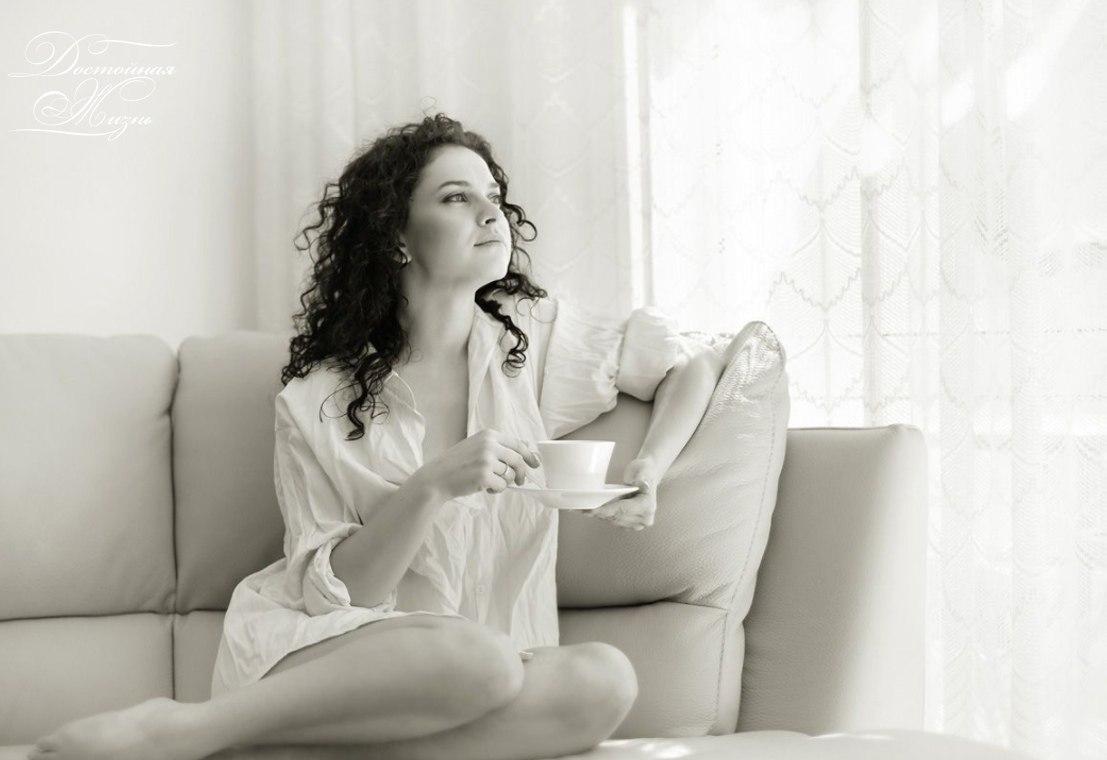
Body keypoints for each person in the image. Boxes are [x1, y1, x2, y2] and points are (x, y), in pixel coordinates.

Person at [26, 113, 726, 760]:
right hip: (337, 652)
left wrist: (650, 470)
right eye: (455, 198)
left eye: (492, 196)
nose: (491, 213)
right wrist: (433, 485)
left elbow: (687, 366)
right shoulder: (318, 398)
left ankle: (279, 755)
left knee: (602, 679)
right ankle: (184, 730)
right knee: (471, 656)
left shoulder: (532, 343)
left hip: (484, 671)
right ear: (397, 235)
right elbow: (349, 592)